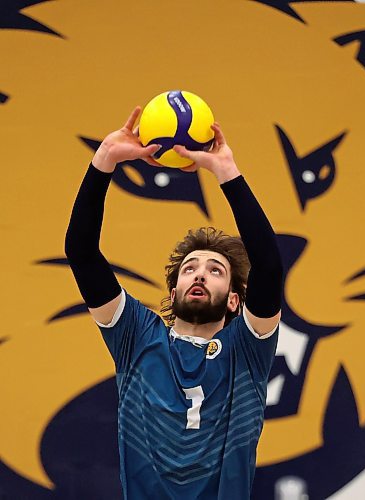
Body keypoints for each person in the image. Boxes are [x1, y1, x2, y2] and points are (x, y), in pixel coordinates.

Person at [65, 105, 283, 500]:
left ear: (235, 300)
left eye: (215, 270)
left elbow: (268, 267)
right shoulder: (136, 336)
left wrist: (226, 173)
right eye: (190, 269)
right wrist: (104, 161)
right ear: (173, 292)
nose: (199, 274)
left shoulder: (248, 349)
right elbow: (81, 252)